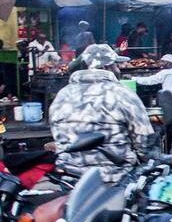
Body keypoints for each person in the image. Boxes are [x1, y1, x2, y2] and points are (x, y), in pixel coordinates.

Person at [49, 44, 155, 183]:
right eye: (115, 65)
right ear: (106, 67)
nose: (118, 69)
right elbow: (144, 143)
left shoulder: (62, 94)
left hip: (70, 177)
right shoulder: (123, 94)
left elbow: (57, 135)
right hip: (115, 178)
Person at [134, 54, 172, 153]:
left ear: (169, 63)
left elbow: (150, 80)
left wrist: (135, 79)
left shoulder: (165, 73)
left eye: (163, 62)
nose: (162, 64)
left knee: (168, 130)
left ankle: (167, 152)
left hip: (169, 106)